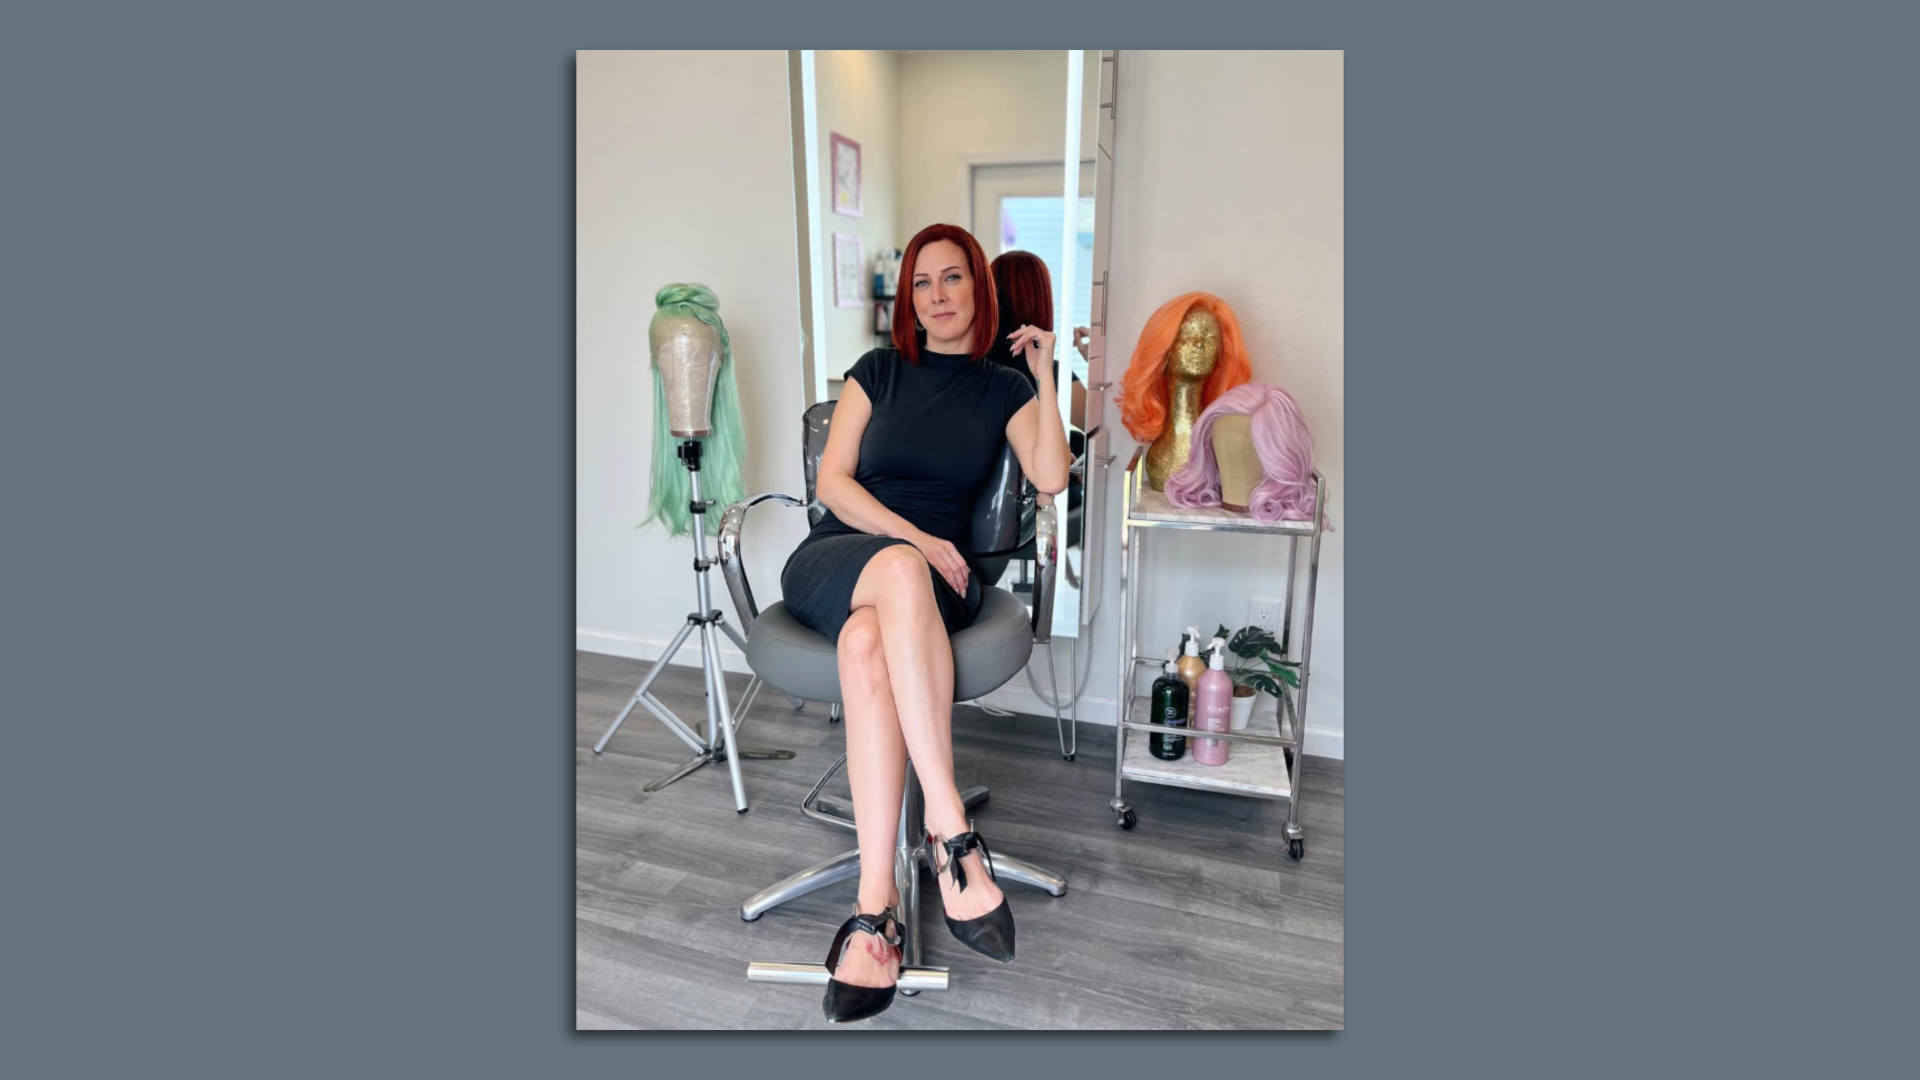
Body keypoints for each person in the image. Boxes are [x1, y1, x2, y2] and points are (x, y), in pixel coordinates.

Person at [778, 223, 1072, 1024]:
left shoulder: (1002, 390)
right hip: (845, 555)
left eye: (952, 279)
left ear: (979, 286)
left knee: (868, 640)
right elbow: (834, 483)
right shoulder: (878, 370)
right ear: (907, 298)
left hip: (935, 585)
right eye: (921, 284)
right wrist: (912, 537)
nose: (937, 296)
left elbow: (1051, 476)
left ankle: (877, 912)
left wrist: (1045, 374)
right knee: (894, 575)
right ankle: (950, 828)